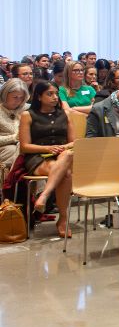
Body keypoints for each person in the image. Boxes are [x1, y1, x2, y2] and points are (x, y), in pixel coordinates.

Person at [19, 81, 76, 237]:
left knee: (68, 155)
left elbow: (74, 142)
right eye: (49, 94)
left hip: (62, 154)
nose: (55, 97)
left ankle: (44, 195)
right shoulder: (28, 115)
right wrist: (48, 149)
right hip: (37, 156)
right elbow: (24, 146)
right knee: (66, 174)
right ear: (39, 96)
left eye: (56, 94)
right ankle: (63, 219)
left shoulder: (65, 114)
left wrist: (63, 147)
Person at [0, 79, 29, 172]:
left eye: (21, 97)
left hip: (26, 146)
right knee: (12, 150)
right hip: (5, 147)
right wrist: (14, 138)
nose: (18, 101)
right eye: (15, 97)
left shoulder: (28, 109)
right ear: (5, 95)